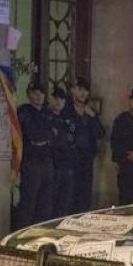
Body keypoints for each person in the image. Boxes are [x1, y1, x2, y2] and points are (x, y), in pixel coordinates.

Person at [14, 82, 55, 228]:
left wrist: (45, 139)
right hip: (32, 162)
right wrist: (44, 138)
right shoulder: (24, 112)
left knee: (45, 204)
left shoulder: (47, 113)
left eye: (41, 93)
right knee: (29, 203)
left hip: (47, 161)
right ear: (29, 95)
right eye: (35, 93)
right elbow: (34, 135)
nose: (39, 96)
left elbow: (53, 136)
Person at [62, 78, 105, 214]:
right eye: (80, 89)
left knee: (84, 197)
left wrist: (92, 116)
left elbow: (100, 133)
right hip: (69, 161)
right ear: (73, 90)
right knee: (68, 197)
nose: (83, 93)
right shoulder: (66, 109)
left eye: (86, 90)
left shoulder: (90, 112)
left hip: (86, 160)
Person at [47, 85, 78, 219]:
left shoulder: (68, 120)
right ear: (51, 99)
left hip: (67, 166)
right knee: (50, 202)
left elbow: (73, 141)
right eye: (56, 98)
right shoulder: (47, 118)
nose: (59, 102)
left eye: (62, 99)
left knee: (64, 203)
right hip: (52, 166)